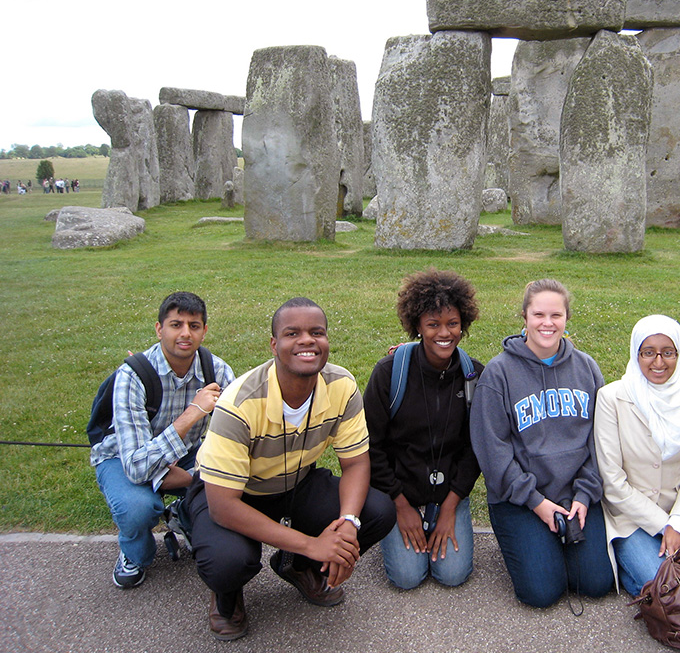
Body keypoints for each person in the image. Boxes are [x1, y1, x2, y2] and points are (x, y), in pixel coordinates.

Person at [185, 297, 395, 641]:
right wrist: (313, 543)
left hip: (296, 483)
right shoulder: (239, 402)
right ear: (274, 344)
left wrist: (347, 526)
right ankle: (228, 595)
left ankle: (297, 566)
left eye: (317, 332)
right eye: (292, 333)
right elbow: (223, 506)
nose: (307, 340)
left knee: (376, 512)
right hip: (232, 496)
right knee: (228, 562)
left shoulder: (341, 386)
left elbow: (356, 463)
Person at [470, 279, 613, 608]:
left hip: (576, 494)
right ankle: (538, 545)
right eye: (538, 315)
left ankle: (558, 544)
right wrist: (536, 502)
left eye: (556, 315)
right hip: (520, 498)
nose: (547, 323)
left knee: (596, 583)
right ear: (524, 316)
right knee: (542, 593)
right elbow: (493, 453)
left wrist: (585, 494)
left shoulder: (588, 368)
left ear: (567, 318)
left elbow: (600, 442)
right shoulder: (499, 373)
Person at [90, 291, 235, 589]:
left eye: (194, 326)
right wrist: (192, 413)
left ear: (204, 331)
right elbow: (136, 467)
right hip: (123, 456)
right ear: (159, 329)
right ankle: (136, 554)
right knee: (138, 509)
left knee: (228, 486)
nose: (185, 333)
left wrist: (194, 475)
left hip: (184, 453)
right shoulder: (131, 376)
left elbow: (238, 438)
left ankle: (186, 513)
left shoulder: (217, 370)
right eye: (175, 324)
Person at [365, 269, 483, 589]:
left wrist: (449, 508)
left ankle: (439, 518)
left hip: (448, 493)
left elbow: (476, 450)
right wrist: (400, 506)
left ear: (464, 324)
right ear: (417, 326)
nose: (444, 333)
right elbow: (371, 446)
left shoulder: (474, 377)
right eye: (433, 324)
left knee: (452, 574)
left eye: (452, 323)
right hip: (399, 491)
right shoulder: (390, 373)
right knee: (407, 577)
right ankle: (393, 524)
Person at [593, 315, 680, 595]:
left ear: (679, 354)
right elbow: (612, 481)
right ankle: (637, 577)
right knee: (665, 586)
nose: (659, 362)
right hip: (631, 515)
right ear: (635, 353)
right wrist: (665, 526)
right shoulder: (612, 398)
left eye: (668, 353)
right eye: (648, 353)